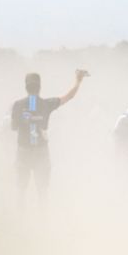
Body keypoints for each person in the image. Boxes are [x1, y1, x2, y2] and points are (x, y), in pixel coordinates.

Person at [11, 69, 88, 200]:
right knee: (42, 190)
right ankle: (43, 217)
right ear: (40, 87)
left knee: (21, 190)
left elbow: (13, 127)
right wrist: (78, 81)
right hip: (41, 151)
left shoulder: (18, 105)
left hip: (23, 151)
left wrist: (27, 121)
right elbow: (68, 97)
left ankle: (20, 217)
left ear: (26, 87)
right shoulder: (46, 104)